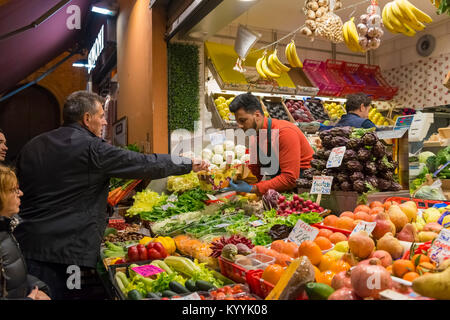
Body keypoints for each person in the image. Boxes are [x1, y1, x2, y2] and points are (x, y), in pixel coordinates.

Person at [14, 91, 208, 300]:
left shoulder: (33, 145)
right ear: (87, 119)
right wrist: (187, 163)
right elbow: (142, 163)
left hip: (29, 244)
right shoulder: (92, 148)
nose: (105, 121)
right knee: (71, 294)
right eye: (101, 116)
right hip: (69, 253)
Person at [225, 93, 314, 195]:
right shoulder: (255, 135)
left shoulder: (284, 132)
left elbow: (290, 178)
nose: (240, 126)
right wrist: (236, 179)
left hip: (304, 189)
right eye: (237, 121)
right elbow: (255, 170)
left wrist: (252, 189)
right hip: (282, 188)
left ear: (257, 115)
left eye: (243, 120)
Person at [0, 166, 51, 300]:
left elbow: (14, 280)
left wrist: (38, 288)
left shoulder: (6, 230)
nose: (21, 193)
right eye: (14, 190)